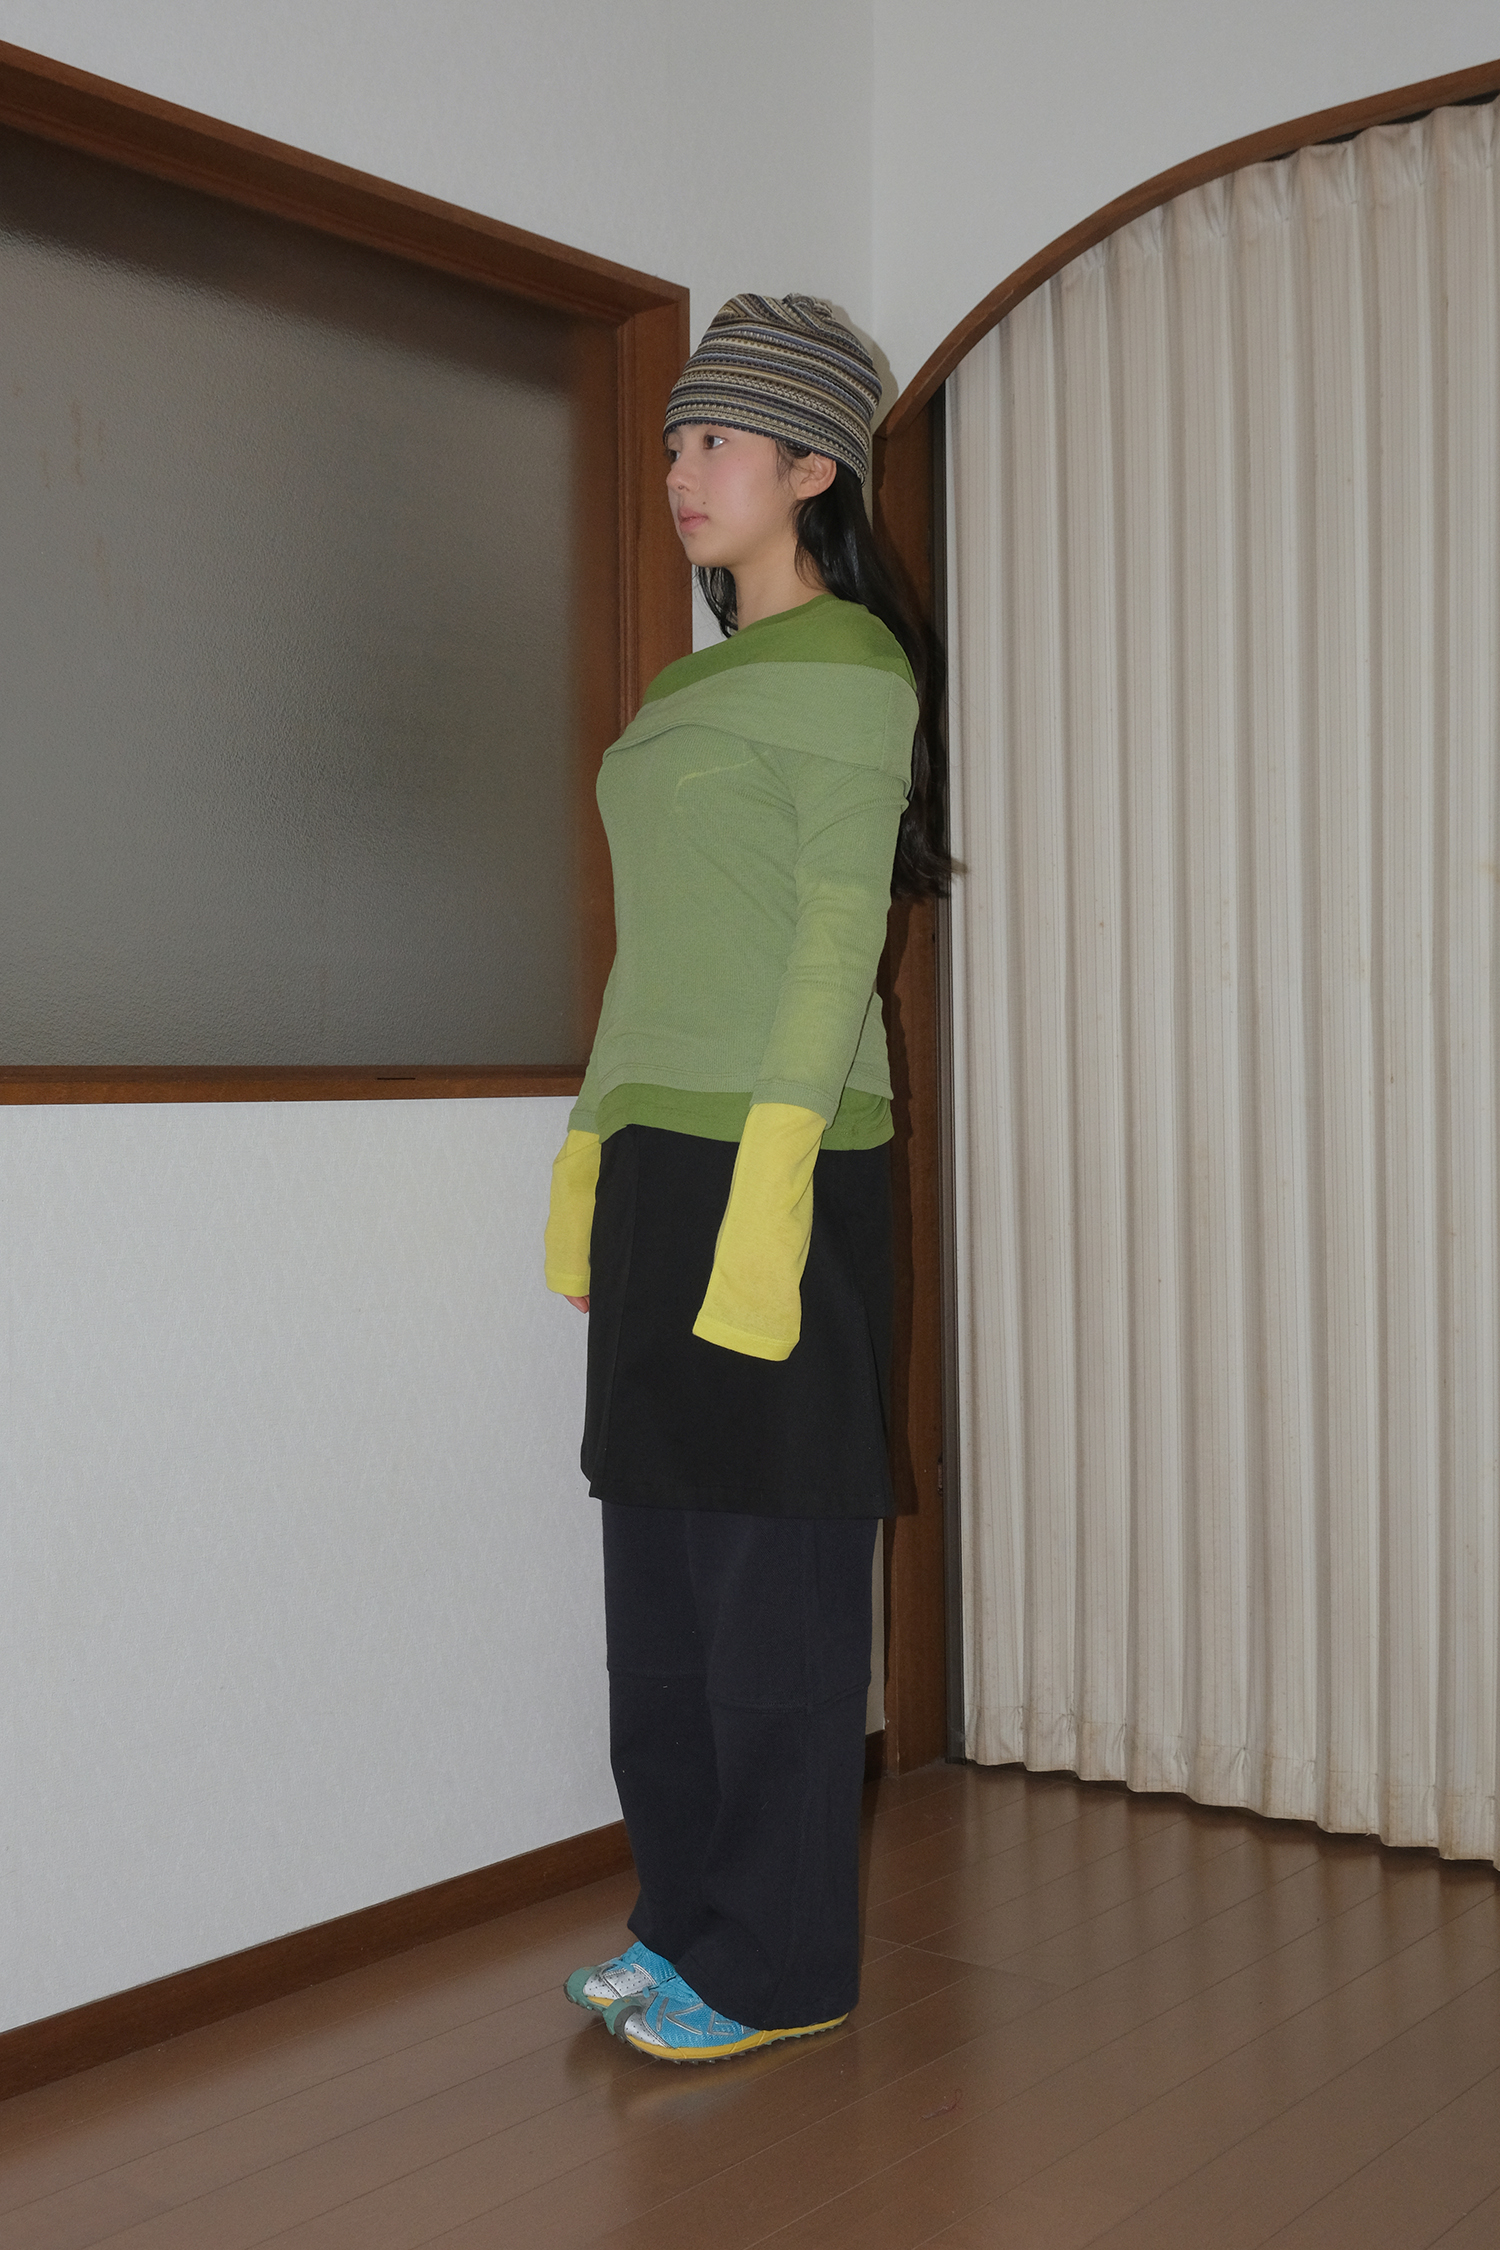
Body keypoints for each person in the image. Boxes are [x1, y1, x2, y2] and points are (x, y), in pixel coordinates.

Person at [544, 292, 949, 2064]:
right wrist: (588, 1146)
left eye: (715, 440)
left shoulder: (855, 667)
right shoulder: (683, 687)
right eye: (673, 443)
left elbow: (837, 939)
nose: (679, 471)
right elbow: (657, 947)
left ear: (812, 468)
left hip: (786, 1155)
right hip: (662, 1151)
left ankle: (779, 1968)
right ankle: (680, 1920)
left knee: (772, 1578)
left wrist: (774, 1179)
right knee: (657, 1578)